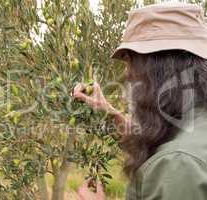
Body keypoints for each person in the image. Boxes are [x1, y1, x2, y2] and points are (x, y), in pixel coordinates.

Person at [73, 2, 207, 200]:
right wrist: (109, 112)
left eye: (131, 60)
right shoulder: (195, 121)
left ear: (159, 68)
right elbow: (165, 136)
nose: (126, 74)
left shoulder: (177, 164)